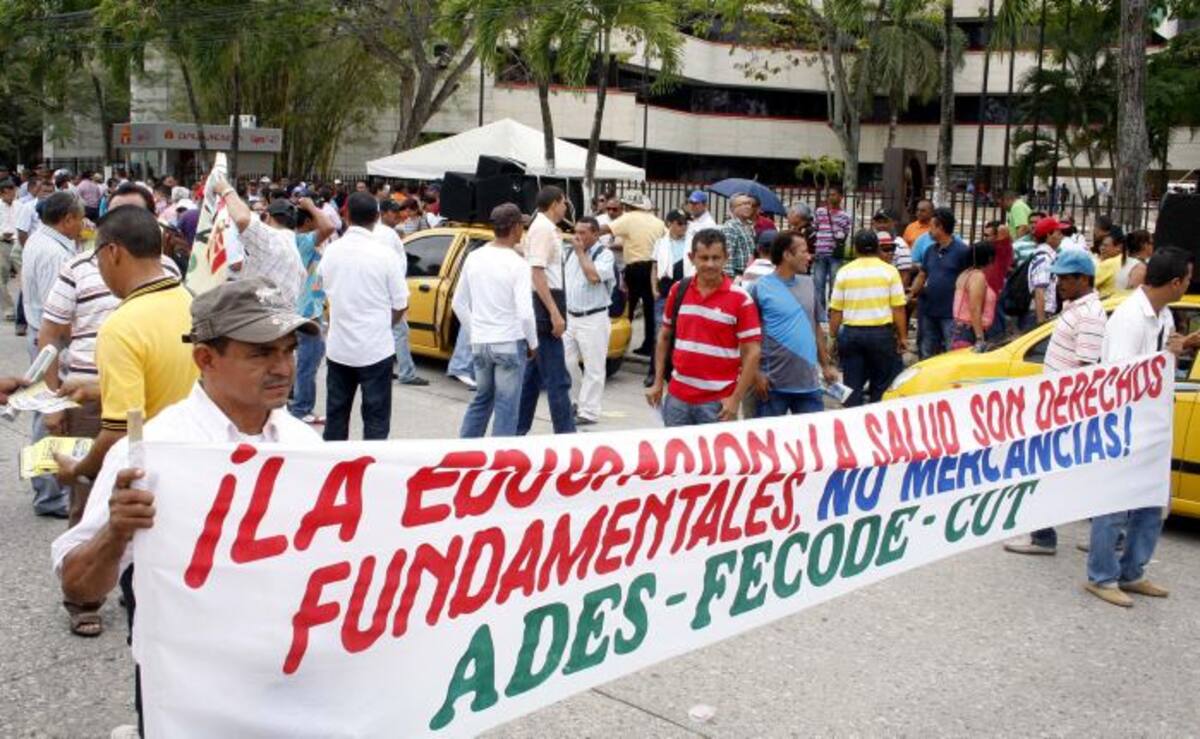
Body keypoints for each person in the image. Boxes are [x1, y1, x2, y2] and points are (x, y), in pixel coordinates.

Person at [52, 277, 321, 737]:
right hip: (185, 684)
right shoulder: (154, 451)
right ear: (205, 358)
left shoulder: (304, 443)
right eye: (260, 353)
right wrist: (115, 534)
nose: (283, 367)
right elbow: (80, 588)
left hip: (286, 670)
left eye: (289, 349)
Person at [1084, 248, 1192, 607]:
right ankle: (1101, 576)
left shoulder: (1164, 317)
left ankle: (1133, 572)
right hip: (1126, 423)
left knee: (1151, 502)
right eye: (1188, 278)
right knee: (1115, 503)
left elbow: (1159, 370)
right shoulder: (1130, 318)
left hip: (1154, 422)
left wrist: (1174, 352)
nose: (1190, 283)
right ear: (1175, 282)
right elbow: (1118, 379)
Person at [1004, 250, 1105, 557]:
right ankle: (1059, 534)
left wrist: (1064, 411)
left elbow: (1086, 369)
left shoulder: (1089, 315)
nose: (1058, 283)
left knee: (1048, 471)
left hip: (1063, 410)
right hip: (1055, 405)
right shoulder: (1076, 307)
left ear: (1083, 279)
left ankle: (1047, 536)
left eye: (1064, 278)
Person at [646, 228, 761, 427]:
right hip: (677, 399)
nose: (710, 264)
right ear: (692, 258)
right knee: (676, 457)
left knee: (716, 459)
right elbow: (664, 337)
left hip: (718, 403)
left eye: (716, 258)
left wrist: (735, 399)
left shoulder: (741, 299)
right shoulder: (678, 290)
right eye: (704, 258)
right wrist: (657, 382)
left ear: (726, 258)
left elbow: (753, 352)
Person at [317, 192, 409, 441]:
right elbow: (401, 303)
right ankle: (372, 471)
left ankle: (335, 467)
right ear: (377, 218)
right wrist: (383, 325)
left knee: (336, 415)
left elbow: (322, 289)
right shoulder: (385, 255)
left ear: (345, 216)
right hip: (375, 349)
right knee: (376, 418)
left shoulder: (332, 252)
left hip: (339, 348)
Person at [453, 204, 537, 437]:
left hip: (481, 342)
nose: (523, 230)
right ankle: (500, 460)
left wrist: (475, 332)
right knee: (507, 406)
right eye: (522, 225)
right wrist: (533, 343)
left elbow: (458, 303)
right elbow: (525, 312)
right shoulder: (518, 264)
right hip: (509, 340)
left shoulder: (474, 257)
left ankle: (465, 452)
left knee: (482, 399)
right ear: (515, 228)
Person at [752, 230, 837, 417]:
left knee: (812, 441)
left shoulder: (809, 284)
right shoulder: (760, 288)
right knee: (769, 443)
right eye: (804, 252)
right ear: (786, 254)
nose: (809, 257)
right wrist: (756, 373)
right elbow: (749, 336)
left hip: (809, 385)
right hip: (772, 386)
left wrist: (826, 365)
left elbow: (815, 327)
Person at [514, 187, 576, 435]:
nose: (565, 209)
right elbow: (537, 271)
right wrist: (554, 312)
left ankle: (517, 430)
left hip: (547, 302)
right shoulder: (543, 229)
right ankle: (566, 435)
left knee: (532, 378)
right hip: (545, 305)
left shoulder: (545, 228)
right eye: (564, 204)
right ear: (554, 204)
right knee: (558, 380)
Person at [829, 230, 908, 406]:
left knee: (852, 385)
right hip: (881, 335)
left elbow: (836, 310)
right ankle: (876, 419)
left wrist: (832, 338)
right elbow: (899, 308)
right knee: (881, 383)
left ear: (855, 249)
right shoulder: (890, 272)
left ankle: (852, 421)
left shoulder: (844, 272)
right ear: (877, 248)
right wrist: (902, 337)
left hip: (851, 335)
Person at [215, 183, 310, 309]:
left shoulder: (272, 238)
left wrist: (225, 189)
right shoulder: (298, 262)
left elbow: (242, 219)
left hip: (258, 318)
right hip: (284, 322)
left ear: (268, 217)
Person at [562, 217, 615, 426]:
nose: (578, 237)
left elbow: (593, 276)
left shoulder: (605, 255)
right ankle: (575, 401)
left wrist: (580, 253)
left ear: (595, 234)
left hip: (593, 317)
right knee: (566, 362)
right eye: (576, 232)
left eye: (583, 233)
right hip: (571, 316)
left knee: (594, 367)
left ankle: (589, 411)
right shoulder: (569, 252)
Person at [603, 191, 665, 358]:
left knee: (627, 307)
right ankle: (649, 346)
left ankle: (621, 343)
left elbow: (604, 229)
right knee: (650, 308)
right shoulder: (658, 222)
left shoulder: (629, 218)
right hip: (653, 268)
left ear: (627, 206)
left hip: (635, 268)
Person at [377, 200, 429, 387]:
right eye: (393, 212)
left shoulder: (382, 233)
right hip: (390, 291)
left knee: (390, 331)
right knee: (399, 331)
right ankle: (406, 372)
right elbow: (393, 266)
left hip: (384, 290)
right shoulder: (387, 234)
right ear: (383, 213)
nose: (397, 215)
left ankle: (386, 368)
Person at [910, 208, 968, 359]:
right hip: (928, 310)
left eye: (932, 226)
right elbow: (922, 274)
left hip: (951, 313)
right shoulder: (930, 250)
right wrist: (911, 294)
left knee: (951, 353)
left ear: (940, 227)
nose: (929, 230)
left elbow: (969, 279)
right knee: (926, 351)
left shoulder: (962, 251)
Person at [650, 210, 694, 388]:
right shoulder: (661, 243)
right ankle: (655, 373)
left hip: (685, 289)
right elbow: (654, 267)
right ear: (670, 223)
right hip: (665, 288)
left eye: (685, 223)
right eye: (680, 223)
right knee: (660, 333)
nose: (683, 226)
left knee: (683, 332)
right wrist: (654, 289)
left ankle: (679, 373)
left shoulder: (692, 242)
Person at [949, 241, 997, 351]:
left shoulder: (965, 274)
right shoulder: (977, 277)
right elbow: (975, 308)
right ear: (989, 258)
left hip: (962, 329)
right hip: (970, 331)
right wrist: (979, 338)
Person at [812, 186, 851, 315]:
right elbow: (815, 227)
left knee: (835, 284)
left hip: (835, 254)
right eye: (829, 194)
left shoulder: (845, 216)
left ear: (841, 197)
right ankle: (820, 311)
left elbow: (845, 234)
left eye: (834, 194)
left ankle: (832, 311)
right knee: (818, 284)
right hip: (820, 252)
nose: (831, 197)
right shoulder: (820, 212)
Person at [1027, 216, 1065, 327]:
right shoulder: (1044, 259)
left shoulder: (1048, 256)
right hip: (1041, 315)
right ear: (1048, 235)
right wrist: (1041, 321)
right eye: (1058, 233)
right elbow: (1039, 290)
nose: (1061, 237)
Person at [720, 193, 757, 278]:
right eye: (743, 204)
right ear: (733, 209)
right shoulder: (730, 227)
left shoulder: (749, 226)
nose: (748, 207)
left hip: (749, 275)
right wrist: (730, 280)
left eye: (749, 203)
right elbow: (727, 256)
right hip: (737, 276)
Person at [0, 179, 19, 319]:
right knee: (1, 279)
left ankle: (25, 309)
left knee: (26, 276)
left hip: (19, 244)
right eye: (9, 192)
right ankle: (9, 310)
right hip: (2, 244)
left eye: (13, 190)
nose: (12, 194)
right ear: (2, 193)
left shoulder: (20, 206)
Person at [1094, 231, 1123, 299]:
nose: (1102, 248)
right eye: (1101, 245)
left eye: (1105, 245)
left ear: (1118, 248)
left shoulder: (1108, 264)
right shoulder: (1126, 261)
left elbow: (1088, 285)